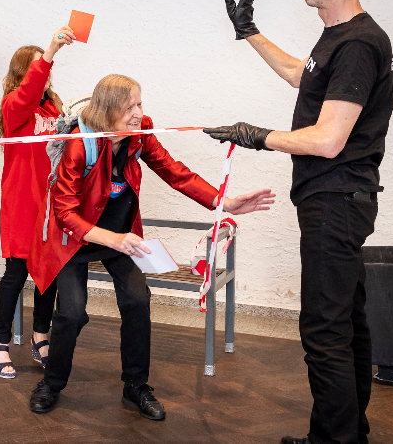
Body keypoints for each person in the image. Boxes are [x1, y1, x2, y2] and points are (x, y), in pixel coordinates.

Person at [206, 0, 393, 443]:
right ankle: (345, 434)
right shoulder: (335, 38)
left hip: (336, 200)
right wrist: (250, 33)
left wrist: (257, 137)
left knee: (324, 332)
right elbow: (300, 75)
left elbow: (329, 139)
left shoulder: (357, 45)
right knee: (346, 324)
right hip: (337, 201)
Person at [27, 74, 274, 417]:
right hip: (75, 240)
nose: (139, 113)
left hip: (120, 235)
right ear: (109, 109)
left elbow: (176, 173)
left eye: (140, 104)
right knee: (71, 313)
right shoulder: (78, 144)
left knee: (138, 299)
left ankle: (135, 386)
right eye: (131, 106)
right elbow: (65, 214)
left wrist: (225, 202)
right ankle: (51, 384)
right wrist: (113, 239)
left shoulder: (140, 135)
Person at [0, 26, 74, 379]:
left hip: (51, 202)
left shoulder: (52, 106)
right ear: (25, 71)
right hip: (23, 203)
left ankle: (41, 338)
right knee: (16, 273)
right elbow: (26, 95)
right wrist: (53, 48)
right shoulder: (14, 106)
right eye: (41, 65)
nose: (48, 70)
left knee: (47, 273)